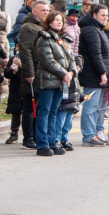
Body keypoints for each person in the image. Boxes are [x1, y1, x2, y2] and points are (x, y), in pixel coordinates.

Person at [33, 10, 77, 156]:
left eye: (61, 20)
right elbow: (48, 60)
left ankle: (53, 142)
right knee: (44, 111)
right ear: (49, 21)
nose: (59, 22)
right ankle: (42, 144)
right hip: (48, 80)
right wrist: (64, 73)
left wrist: (71, 72)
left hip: (61, 81)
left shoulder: (64, 39)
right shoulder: (44, 38)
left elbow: (71, 59)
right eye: (56, 19)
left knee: (54, 111)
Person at [18, 0, 49, 149]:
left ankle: (38, 136)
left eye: (47, 10)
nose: (46, 12)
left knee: (40, 105)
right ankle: (28, 137)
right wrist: (29, 72)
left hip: (43, 72)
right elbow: (26, 51)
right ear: (34, 11)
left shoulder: (43, 27)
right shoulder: (28, 27)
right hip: (33, 72)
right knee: (31, 107)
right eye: (43, 10)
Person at [78, 4, 109, 147]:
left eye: (106, 15)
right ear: (94, 15)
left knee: (98, 107)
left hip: (97, 74)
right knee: (90, 107)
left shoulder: (97, 29)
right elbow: (95, 54)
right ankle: (88, 136)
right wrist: (102, 73)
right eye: (102, 15)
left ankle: (94, 134)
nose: (105, 18)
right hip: (93, 75)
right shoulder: (91, 30)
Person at [3, 49, 24, 144]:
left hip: (26, 88)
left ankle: (29, 135)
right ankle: (14, 133)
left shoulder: (29, 58)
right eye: (17, 47)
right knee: (15, 112)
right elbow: (7, 74)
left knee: (28, 113)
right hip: (15, 90)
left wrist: (21, 66)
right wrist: (13, 70)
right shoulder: (13, 59)